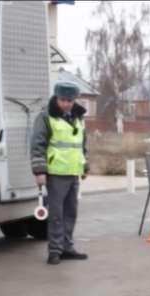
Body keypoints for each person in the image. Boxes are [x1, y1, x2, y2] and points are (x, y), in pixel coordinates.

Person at [30, 81, 90, 265]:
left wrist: (84, 166)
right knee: (56, 214)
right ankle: (55, 250)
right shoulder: (46, 117)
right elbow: (37, 145)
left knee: (71, 213)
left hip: (73, 173)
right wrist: (39, 171)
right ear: (56, 98)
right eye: (63, 100)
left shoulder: (78, 117)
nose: (66, 103)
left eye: (70, 100)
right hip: (55, 173)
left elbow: (81, 145)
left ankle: (67, 247)